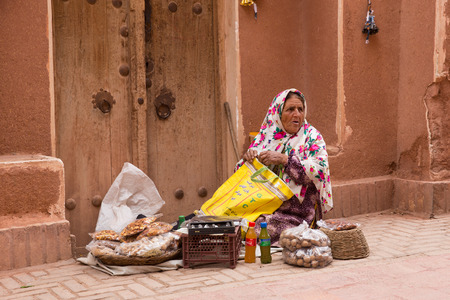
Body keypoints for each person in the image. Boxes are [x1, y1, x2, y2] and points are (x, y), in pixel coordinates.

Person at [235, 88, 333, 245]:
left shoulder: (312, 137)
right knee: (231, 222)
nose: (297, 114)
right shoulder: (267, 136)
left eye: (300, 109)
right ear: (278, 113)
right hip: (262, 206)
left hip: (295, 213)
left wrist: (285, 160)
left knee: (258, 228)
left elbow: (319, 171)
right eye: (290, 109)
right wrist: (248, 161)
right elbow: (241, 178)